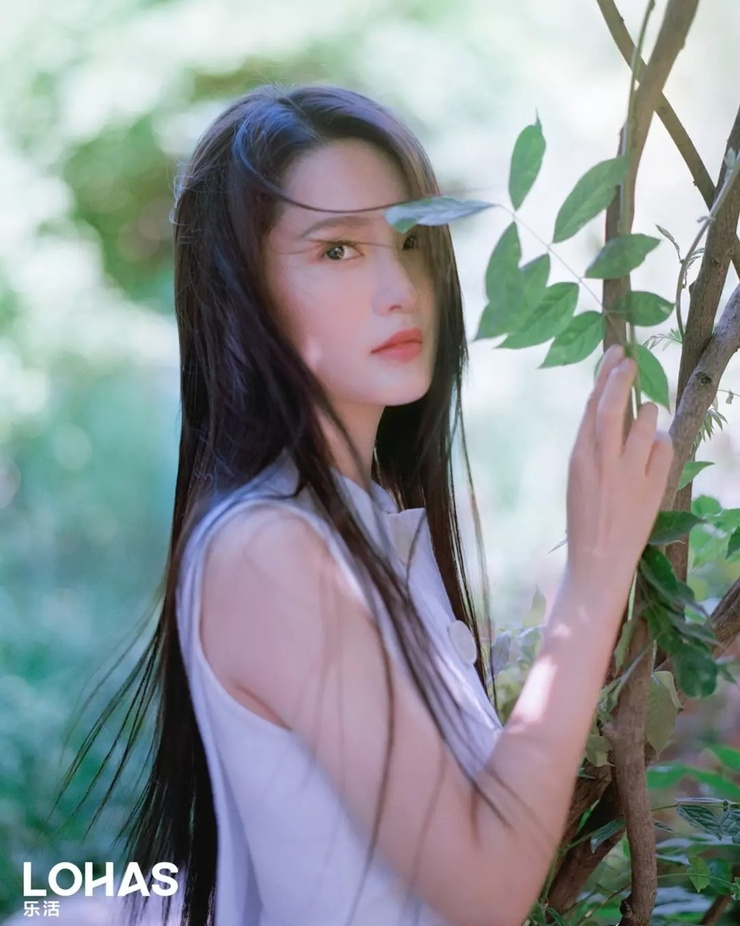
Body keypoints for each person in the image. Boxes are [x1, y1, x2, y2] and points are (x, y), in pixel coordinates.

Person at [57, 82, 674, 926]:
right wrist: (592, 581)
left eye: (411, 241)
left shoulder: (367, 520)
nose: (400, 288)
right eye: (339, 250)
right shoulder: (271, 550)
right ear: (243, 293)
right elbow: (486, 892)